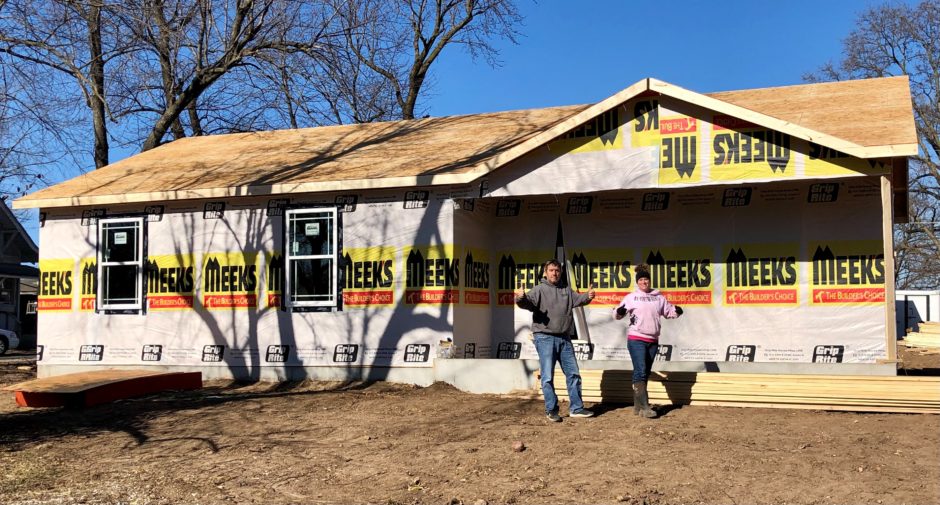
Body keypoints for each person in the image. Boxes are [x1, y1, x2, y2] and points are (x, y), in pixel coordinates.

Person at [515, 259, 596, 422]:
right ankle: (551, 410)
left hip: (565, 338)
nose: (554, 273)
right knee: (547, 376)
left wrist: (588, 296)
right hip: (544, 337)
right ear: (545, 272)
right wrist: (521, 298)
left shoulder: (566, 289)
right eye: (551, 270)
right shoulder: (539, 290)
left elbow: (579, 300)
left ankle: (577, 408)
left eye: (557, 270)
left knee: (573, 374)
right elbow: (526, 303)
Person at [613, 263, 683, 418]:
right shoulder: (631, 297)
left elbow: (668, 312)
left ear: (650, 281)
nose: (644, 282)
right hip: (636, 338)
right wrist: (619, 311)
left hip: (653, 339)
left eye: (646, 280)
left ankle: (637, 407)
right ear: (637, 282)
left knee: (644, 372)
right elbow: (616, 314)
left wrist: (677, 312)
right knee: (640, 370)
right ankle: (645, 407)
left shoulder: (658, 297)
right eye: (641, 280)